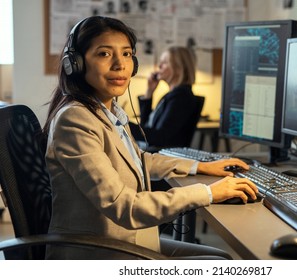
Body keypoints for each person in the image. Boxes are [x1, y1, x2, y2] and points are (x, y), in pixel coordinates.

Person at [42, 16, 258, 260]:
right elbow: (125, 206)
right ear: (76, 64)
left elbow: (139, 159)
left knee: (220, 257)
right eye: (104, 54)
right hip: (100, 252)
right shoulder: (76, 120)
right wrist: (208, 193)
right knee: (220, 262)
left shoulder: (106, 111)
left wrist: (200, 166)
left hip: (125, 239)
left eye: (126, 54)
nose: (120, 65)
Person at [129, 46, 199, 149]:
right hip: (152, 150)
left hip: (163, 154)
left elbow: (160, 137)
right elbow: (146, 126)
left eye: (165, 62)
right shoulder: (171, 95)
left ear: (179, 69)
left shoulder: (181, 97)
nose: (159, 66)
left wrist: (125, 125)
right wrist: (149, 92)